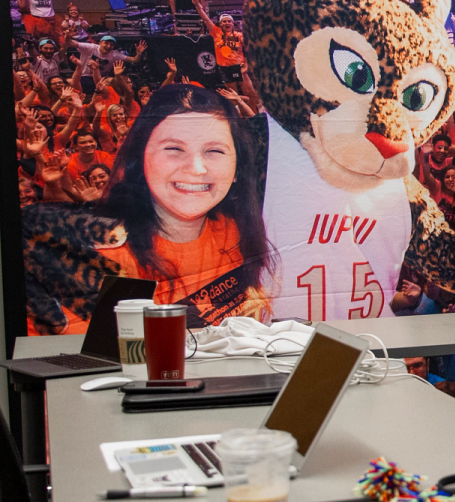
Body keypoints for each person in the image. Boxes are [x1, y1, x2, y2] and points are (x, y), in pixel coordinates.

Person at [25, 84, 272, 333]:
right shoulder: (93, 254)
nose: (196, 168)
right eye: (174, 149)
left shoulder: (235, 232)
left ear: (237, 168)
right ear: (140, 158)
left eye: (214, 151)